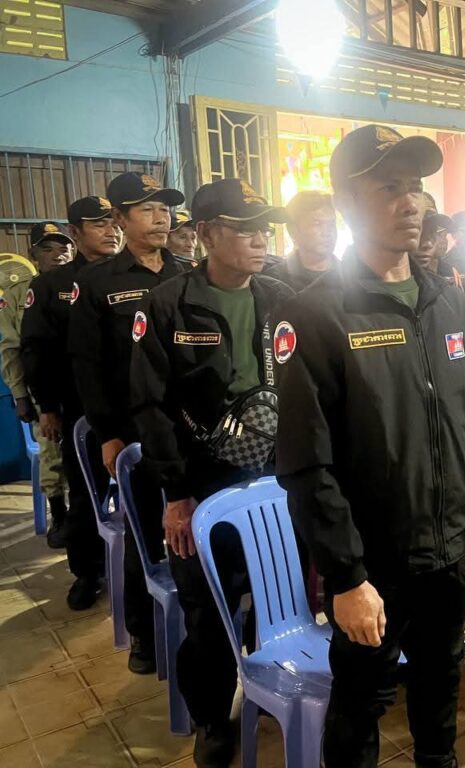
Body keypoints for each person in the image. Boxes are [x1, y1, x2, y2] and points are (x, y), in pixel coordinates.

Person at [274, 124, 465, 768]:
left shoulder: (447, 299)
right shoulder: (316, 314)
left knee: (440, 679)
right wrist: (346, 577)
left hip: (451, 550)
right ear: (347, 204)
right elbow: (306, 464)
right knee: (361, 700)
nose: (411, 203)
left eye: (415, 187)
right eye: (388, 189)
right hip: (374, 563)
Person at [130, 177, 291, 767]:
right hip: (202, 485)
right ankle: (211, 718)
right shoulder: (168, 305)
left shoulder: (281, 298)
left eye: (264, 228)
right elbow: (151, 406)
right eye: (245, 229)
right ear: (206, 234)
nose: (260, 239)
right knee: (207, 610)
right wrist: (177, 494)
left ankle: (270, 692)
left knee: (275, 596)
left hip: (274, 480)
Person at [69, 173, 186, 669]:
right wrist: (108, 434)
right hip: (134, 436)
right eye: (147, 209)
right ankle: (144, 631)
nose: (161, 218)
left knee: (192, 530)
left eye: (165, 209)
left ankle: (199, 621)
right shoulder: (99, 284)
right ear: (119, 218)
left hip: (187, 432)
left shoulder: (188, 274)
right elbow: (87, 365)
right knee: (143, 532)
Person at [21, 201, 120, 594]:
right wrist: (47, 407)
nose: (111, 231)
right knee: (86, 493)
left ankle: (140, 566)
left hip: (134, 406)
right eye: (99, 225)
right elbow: (36, 350)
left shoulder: (129, 275)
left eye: (114, 223)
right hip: (80, 408)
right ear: (75, 233)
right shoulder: (51, 285)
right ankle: (87, 573)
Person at [0, 223, 73, 546]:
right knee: (52, 452)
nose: (58, 255)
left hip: (83, 387)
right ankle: (59, 513)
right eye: (48, 249)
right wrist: (20, 395)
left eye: (64, 248)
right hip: (44, 390)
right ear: (33, 254)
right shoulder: (18, 294)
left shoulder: (83, 283)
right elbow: (11, 349)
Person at [264, 190, 338, 291]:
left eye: (332, 224)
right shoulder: (271, 283)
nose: (327, 232)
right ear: (293, 231)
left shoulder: (352, 277)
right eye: (317, 224)